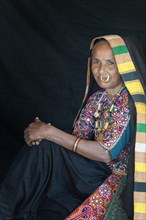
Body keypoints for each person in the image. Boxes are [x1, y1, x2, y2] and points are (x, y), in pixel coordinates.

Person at [0, 34, 145, 220]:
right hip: (89, 169)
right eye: (96, 62)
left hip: (111, 177)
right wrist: (43, 133)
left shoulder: (130, 104)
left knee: (49, 141)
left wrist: (49, 131)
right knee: (45, 147)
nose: (102, 70)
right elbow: (79, 135)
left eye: (111, 63)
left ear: (125, 66)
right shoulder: (98, 98)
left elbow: (105, 153)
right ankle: (5, 208)